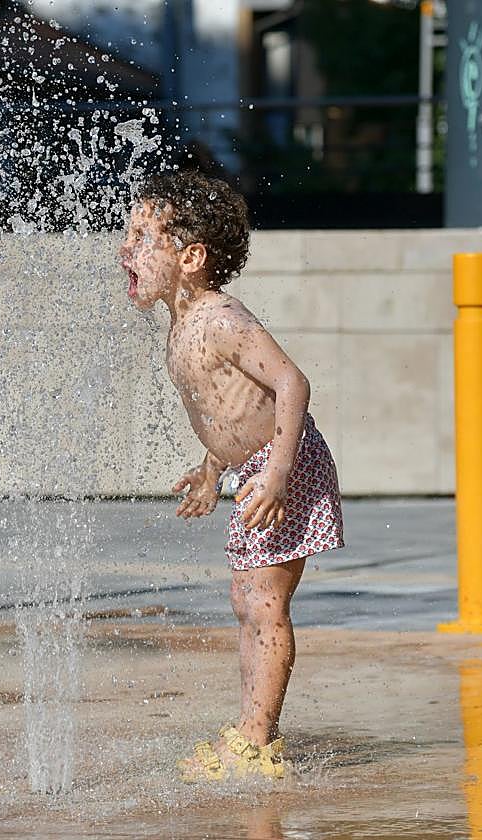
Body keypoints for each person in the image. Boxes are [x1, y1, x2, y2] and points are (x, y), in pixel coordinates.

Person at [118, 171, 344, 782]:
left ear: (190, 258)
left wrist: (277, 471)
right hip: (254, 468)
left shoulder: (220, 320)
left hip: (284, 467)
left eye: (142, 237)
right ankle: (252, 730)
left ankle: (256, 741)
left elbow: (291, 383)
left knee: (264, 603)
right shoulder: (180, 325)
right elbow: (228, 408)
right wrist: (212, 467)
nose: (124, 248)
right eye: (128, 233)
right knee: (248, 602)